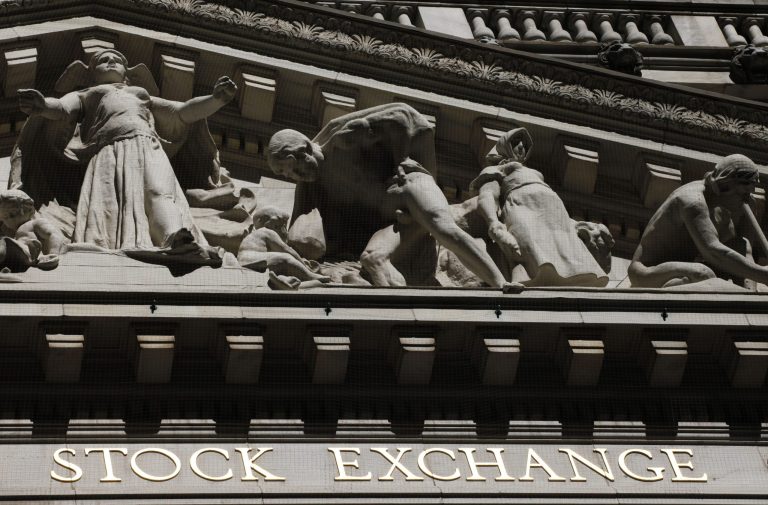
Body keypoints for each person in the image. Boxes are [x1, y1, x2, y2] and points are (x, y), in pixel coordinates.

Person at [15, 49, 236, 265]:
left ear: (126, 72)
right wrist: (42, 105)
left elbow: (182, 113)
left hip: (148, 145)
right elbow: (62, 108)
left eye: (117, 60)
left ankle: (174, 238)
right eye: (103, 60)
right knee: (111, 204)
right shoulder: (88, 94)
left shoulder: (140, 94)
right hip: (110, 152)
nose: (111, 61)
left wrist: (215, 100)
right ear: (91, 73)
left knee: (161, 192)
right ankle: (110, 245)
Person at [267, 103, 517, 290]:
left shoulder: (342, 139)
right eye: (285, 174)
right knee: (372, 259)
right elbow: (301, 241)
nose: (292, 176)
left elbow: (401, 116)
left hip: (408, 189)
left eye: (290, 167)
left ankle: (499, 283)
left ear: (302, 151)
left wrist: (402, 158)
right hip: (394, 222)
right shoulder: (311, 187)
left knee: (443, 227)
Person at [472, 128, 609, 287]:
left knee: (562, 242)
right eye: (516, 142)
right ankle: (528, 277)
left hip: (553, 211)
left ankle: (575, 274)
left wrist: (573, 223)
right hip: (521, 206)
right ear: (504, 145)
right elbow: (487, 195)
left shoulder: (535, 173)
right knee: (526, 244)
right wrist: (493, 222)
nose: (522, 147)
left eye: (525, 144)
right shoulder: (496, 169)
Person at [629, 154, 768, 288]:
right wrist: (762, 274)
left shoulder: (723, 210)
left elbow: (739, 249)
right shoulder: (693, 201)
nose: (747, 199)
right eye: (744, 193)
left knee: (740, 244)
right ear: (725, 185)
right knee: (702, 274)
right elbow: (713, 252)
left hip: (688, 264)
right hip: (647, 272)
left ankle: (749, 295)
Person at [237, 206, 330, 288]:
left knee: (281, 266)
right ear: (263, 220)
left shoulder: (257, 236)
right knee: (285, 258)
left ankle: (284, 282)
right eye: (278, 224)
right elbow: (286, 250)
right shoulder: (266, 232)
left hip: (250, 261)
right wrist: (304, 265)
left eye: (284, 225)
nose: (282, 227)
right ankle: (311, 276)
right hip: (250, 259)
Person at [0, 189, 68, 271]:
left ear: (26, 211)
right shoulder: (15, 233)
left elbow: (54, 234)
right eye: (3, 218)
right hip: (17, 253)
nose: (6, 221)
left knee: (4, 245)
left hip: (27, 252)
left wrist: (53, 254)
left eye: (11, 215)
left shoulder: (36, 223)